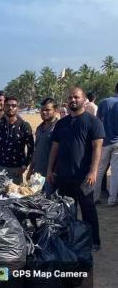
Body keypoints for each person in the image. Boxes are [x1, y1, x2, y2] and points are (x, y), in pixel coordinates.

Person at [47, 87, 104, 251]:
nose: (73, 100)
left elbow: (97, 148)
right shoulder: (61, 123)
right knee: (66, 211)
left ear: (84, 99)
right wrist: (50, 170)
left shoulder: (93, 122)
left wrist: (93, 171)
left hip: (84, 177)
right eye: (70, 97)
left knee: (88, 210)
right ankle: (70, 240)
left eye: (76, 97)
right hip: (63, 176)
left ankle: (94, 241)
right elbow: (54, 149)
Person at [0, 96, 34, 184]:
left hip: (16, 169)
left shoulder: (24, 126)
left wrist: (25, 165)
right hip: (0, 168)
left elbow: (31, 149)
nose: (10, 108)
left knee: (15, 196)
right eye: (8, 105)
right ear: (4, 107)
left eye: (13, 106)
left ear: (17, 108)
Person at [27, 98, 58, 193]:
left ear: (55, 111)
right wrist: (30, 170)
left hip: (52, 176)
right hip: (37, 174)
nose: (44, 112)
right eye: (42, 110)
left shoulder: (59, 127)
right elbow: (36, 151)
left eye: (48, 110)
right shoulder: (39, 128)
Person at [94, 83, 118, 206]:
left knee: (99, 170)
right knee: (115, 172)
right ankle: (112, 199)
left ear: (115, 89)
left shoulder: (104, 102)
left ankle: (94, 197)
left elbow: (97, 121)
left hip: (103, 141)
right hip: (117, 142)